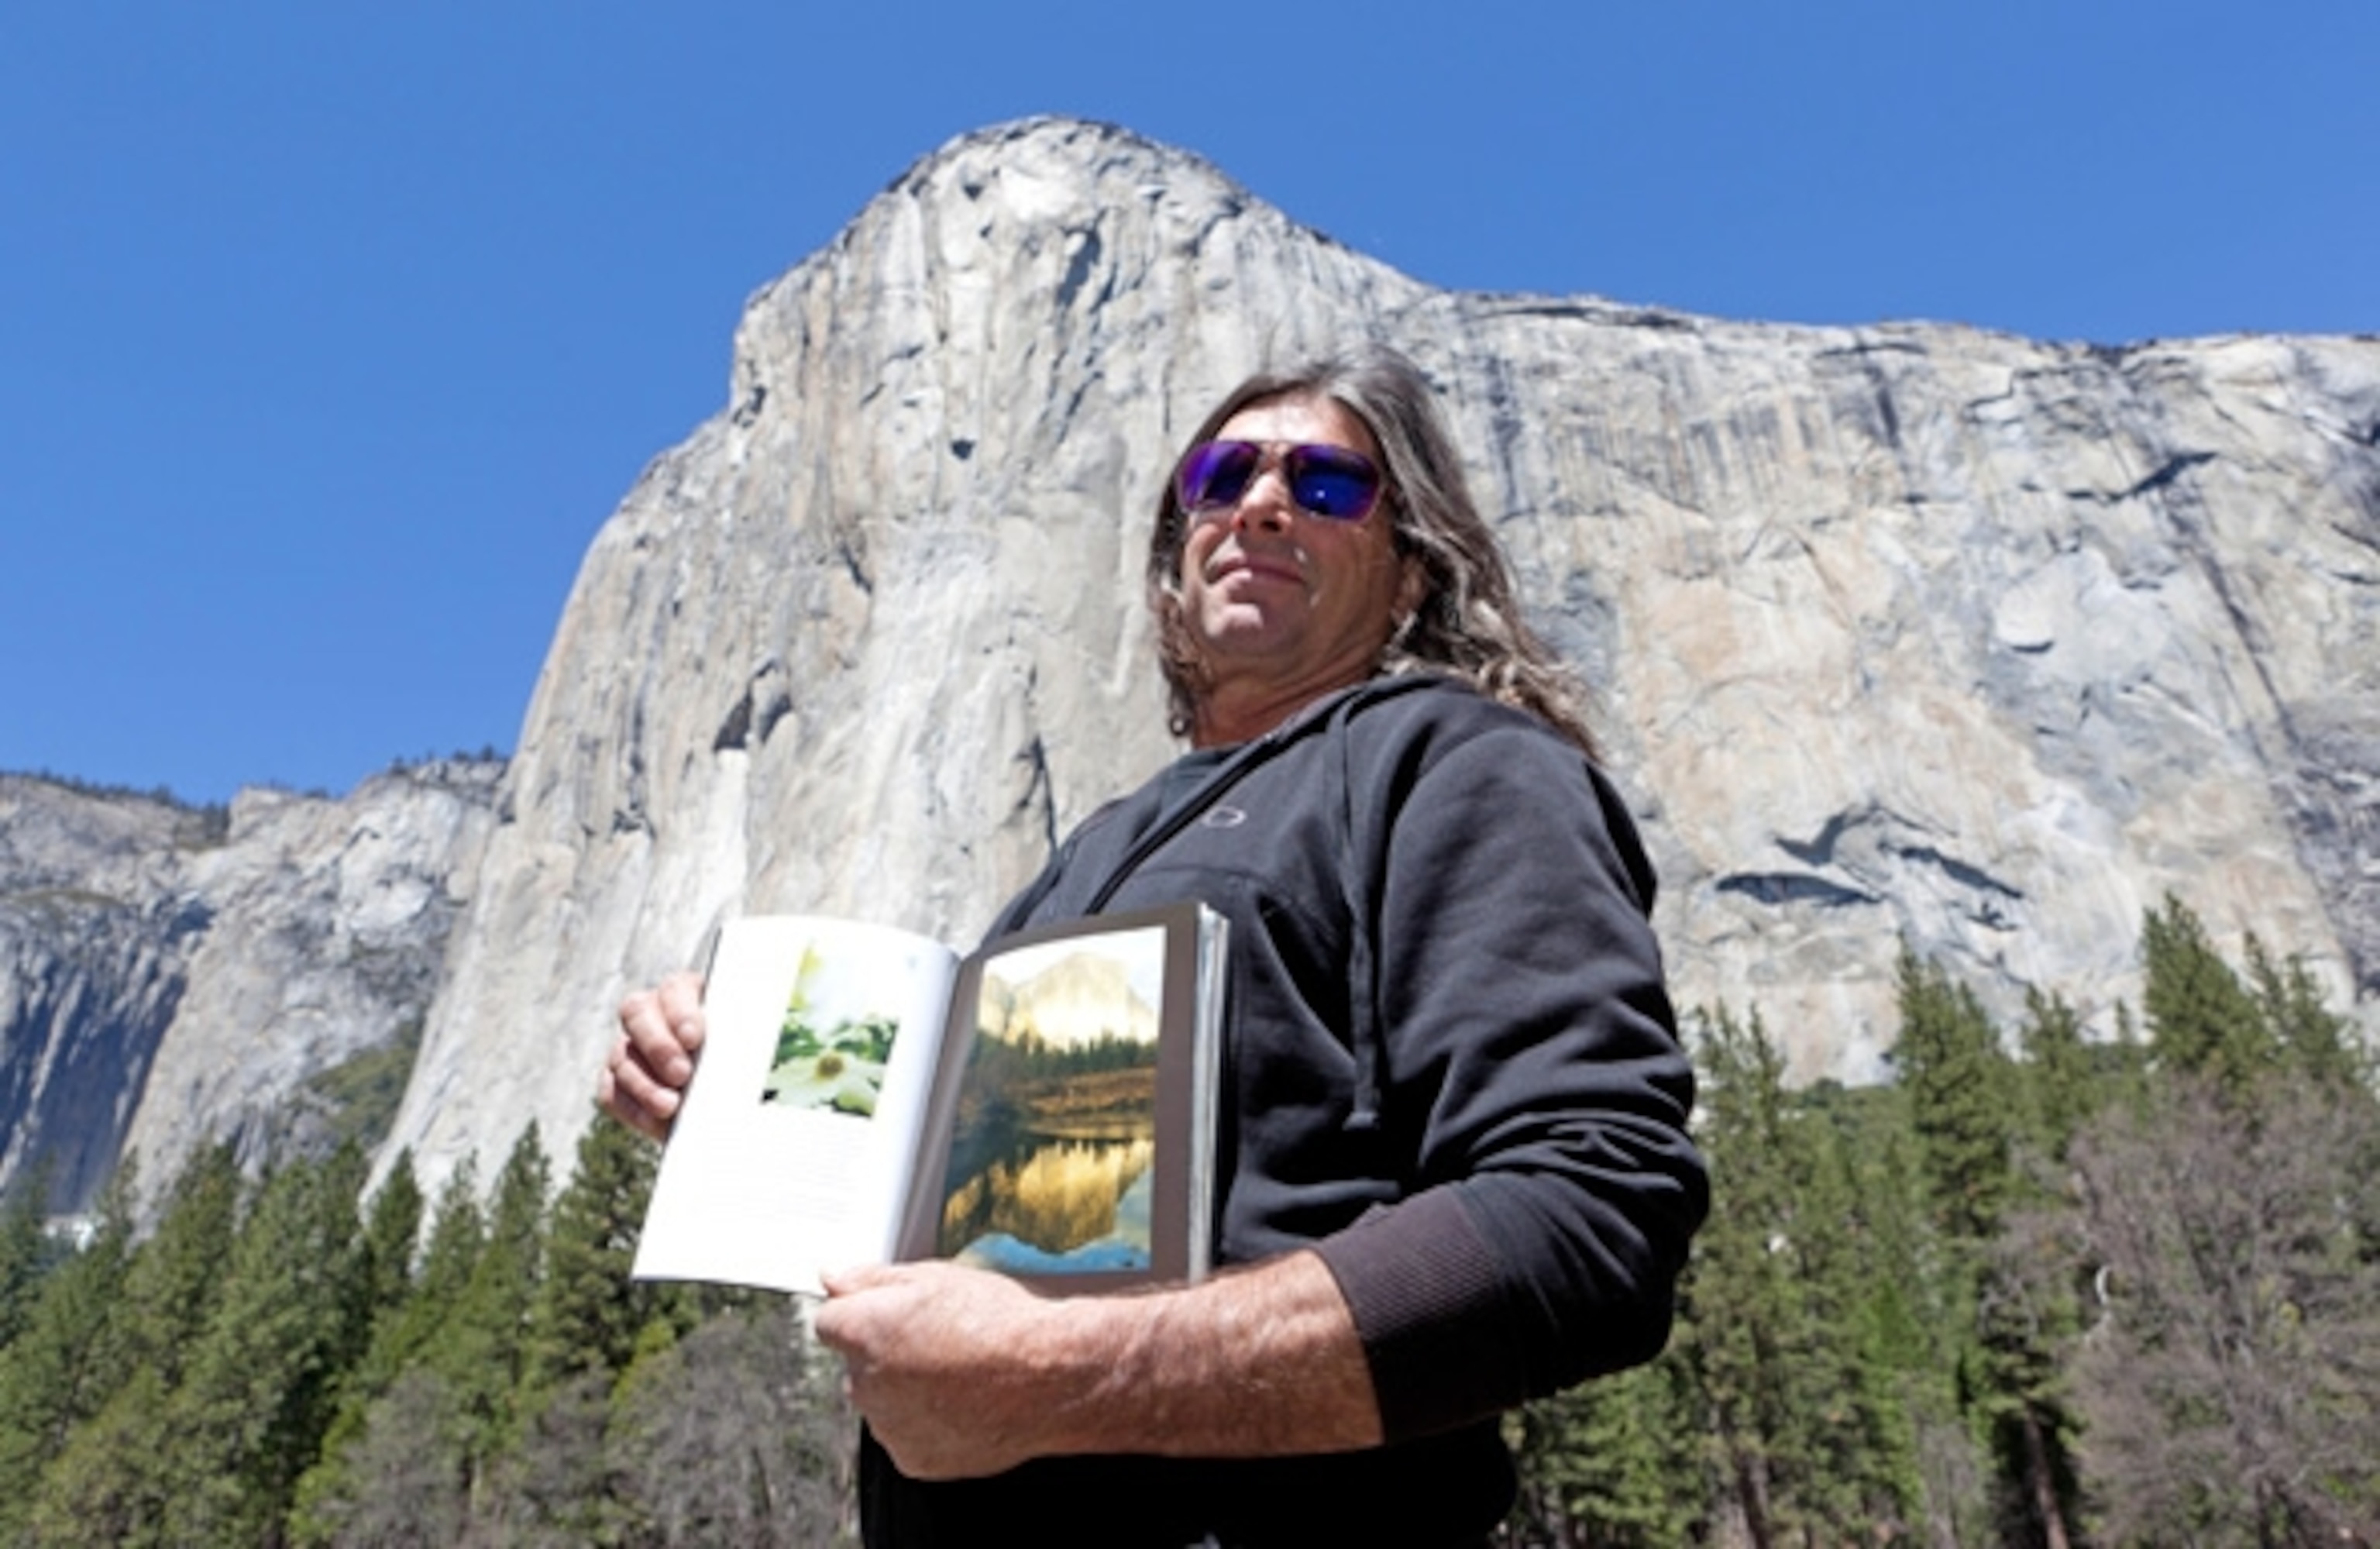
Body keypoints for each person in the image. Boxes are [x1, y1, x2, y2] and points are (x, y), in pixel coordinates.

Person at [603, 345, 1708, 1547]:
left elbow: (1591, 1214)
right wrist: (737, 1099)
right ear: (1176, 556)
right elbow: (955, 1213)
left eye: (1330, 484)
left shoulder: (1456, 763)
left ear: (1409, 575)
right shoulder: (1091, 856)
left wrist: (1057, 1375)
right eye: (1222, 474)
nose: (1262, 503)